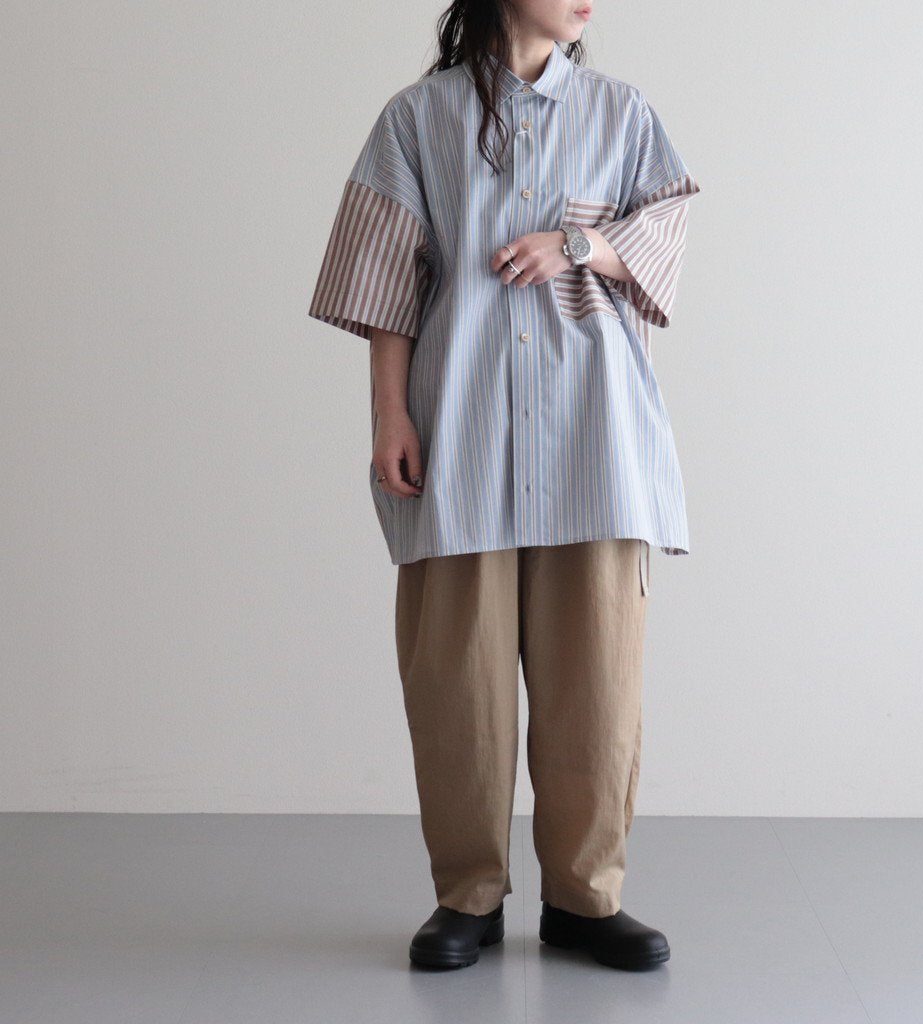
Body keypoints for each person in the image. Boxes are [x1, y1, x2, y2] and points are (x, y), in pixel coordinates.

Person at [308, 0, 701, 972]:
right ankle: (467, 898)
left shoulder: (621, 112)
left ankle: (585, 900)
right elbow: (386, 282)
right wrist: (389, 416)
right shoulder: (418, 118)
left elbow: (663, 240)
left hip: (594, 440)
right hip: (465, 431)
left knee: (596, 688)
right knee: (458, 688)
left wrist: (579, 245)